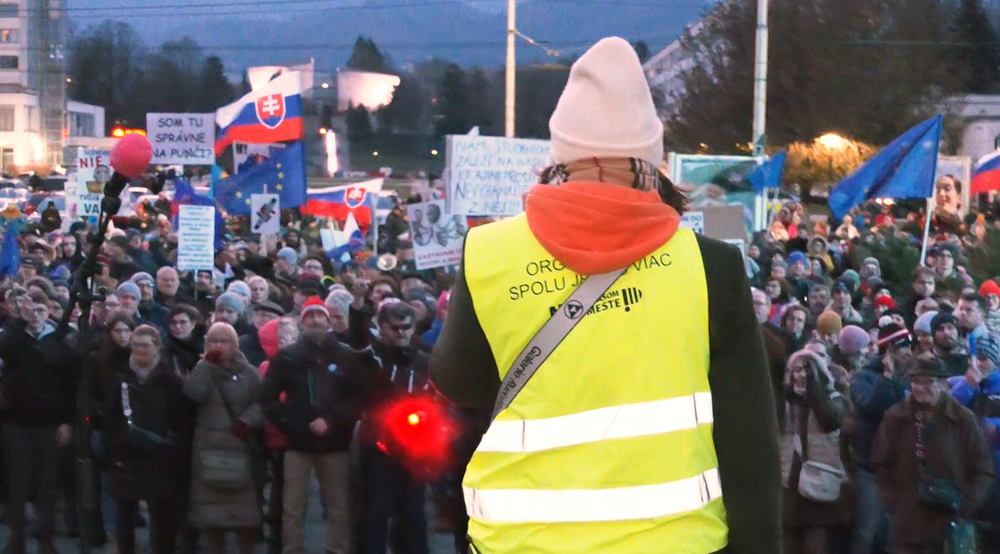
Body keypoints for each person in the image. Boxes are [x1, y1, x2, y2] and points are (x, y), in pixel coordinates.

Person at [430, 37, 780, 554]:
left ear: (558, 155)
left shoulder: (487, 252)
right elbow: (749, 445)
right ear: (651, 159)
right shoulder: (710, 266)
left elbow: (459, 382)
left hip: (523, 541)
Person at [260, 297, 365, 554]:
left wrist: (332, 421)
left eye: (320, 316)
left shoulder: (345, 355)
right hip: (297, 444)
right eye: (310, 316)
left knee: (339, 505)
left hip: (335, 443)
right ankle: (292, 549)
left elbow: (357, 398)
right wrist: (292, 425)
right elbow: (267, 399)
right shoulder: (288, 357)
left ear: (329, 321)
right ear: (302, 322)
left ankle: (338, 549)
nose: (316, 320)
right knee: (293, 507)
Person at [873, 356, 993, 554]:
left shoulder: (962, 418)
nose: (920, 388)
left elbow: (982, 468)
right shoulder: (896, 416)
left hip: (949, 522)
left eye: (928, 382)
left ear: (944, 384)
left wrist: (967, 506)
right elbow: (881, 463)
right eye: (916, 381)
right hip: (907, 523)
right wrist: (894, 503)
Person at [99, 325, 188, 554]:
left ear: (157, 347)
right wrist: (113, 448)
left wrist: (175, 450)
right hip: (127, 454)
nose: (139, 349)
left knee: (162, 517)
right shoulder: (120, 378)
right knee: (125, 515)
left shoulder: (171, 381)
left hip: (161, 456)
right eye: (136, 344)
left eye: (145, 345)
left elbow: (181, 420)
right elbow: (110, 416)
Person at [0, 291, 76, 554]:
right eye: (31, 309)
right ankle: (17, 537)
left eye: (41, 310)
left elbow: (69, 386)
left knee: (47, 482)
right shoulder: (12, 338)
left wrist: (67, 421)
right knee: (18, 480)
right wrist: (20, 321)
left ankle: (46, 537)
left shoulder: (58, 341)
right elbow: (5, 350)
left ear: (48, 312)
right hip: (16, 421)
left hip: (50, 422)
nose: (36, 315)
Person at [184, 323, 265, 554]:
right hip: (208, 452)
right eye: (214, 341)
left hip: (240, 450)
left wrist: (246, 421)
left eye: (224, 341)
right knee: (212, 520)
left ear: (235, 344)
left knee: (244, 519)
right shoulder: (203, 369)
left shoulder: (249, 373)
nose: (219, 345)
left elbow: (263, 404)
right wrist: (205, 366)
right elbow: (192, 393)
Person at [780, 350, 848, 554]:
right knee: (789, 544)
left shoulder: (834, 397)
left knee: (816, 544)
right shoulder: (786, 401)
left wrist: (814, 389)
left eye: (805, 370)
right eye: (795, 370)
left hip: (819, 481)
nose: (799, 375)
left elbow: (831, 420)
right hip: (790, 481)